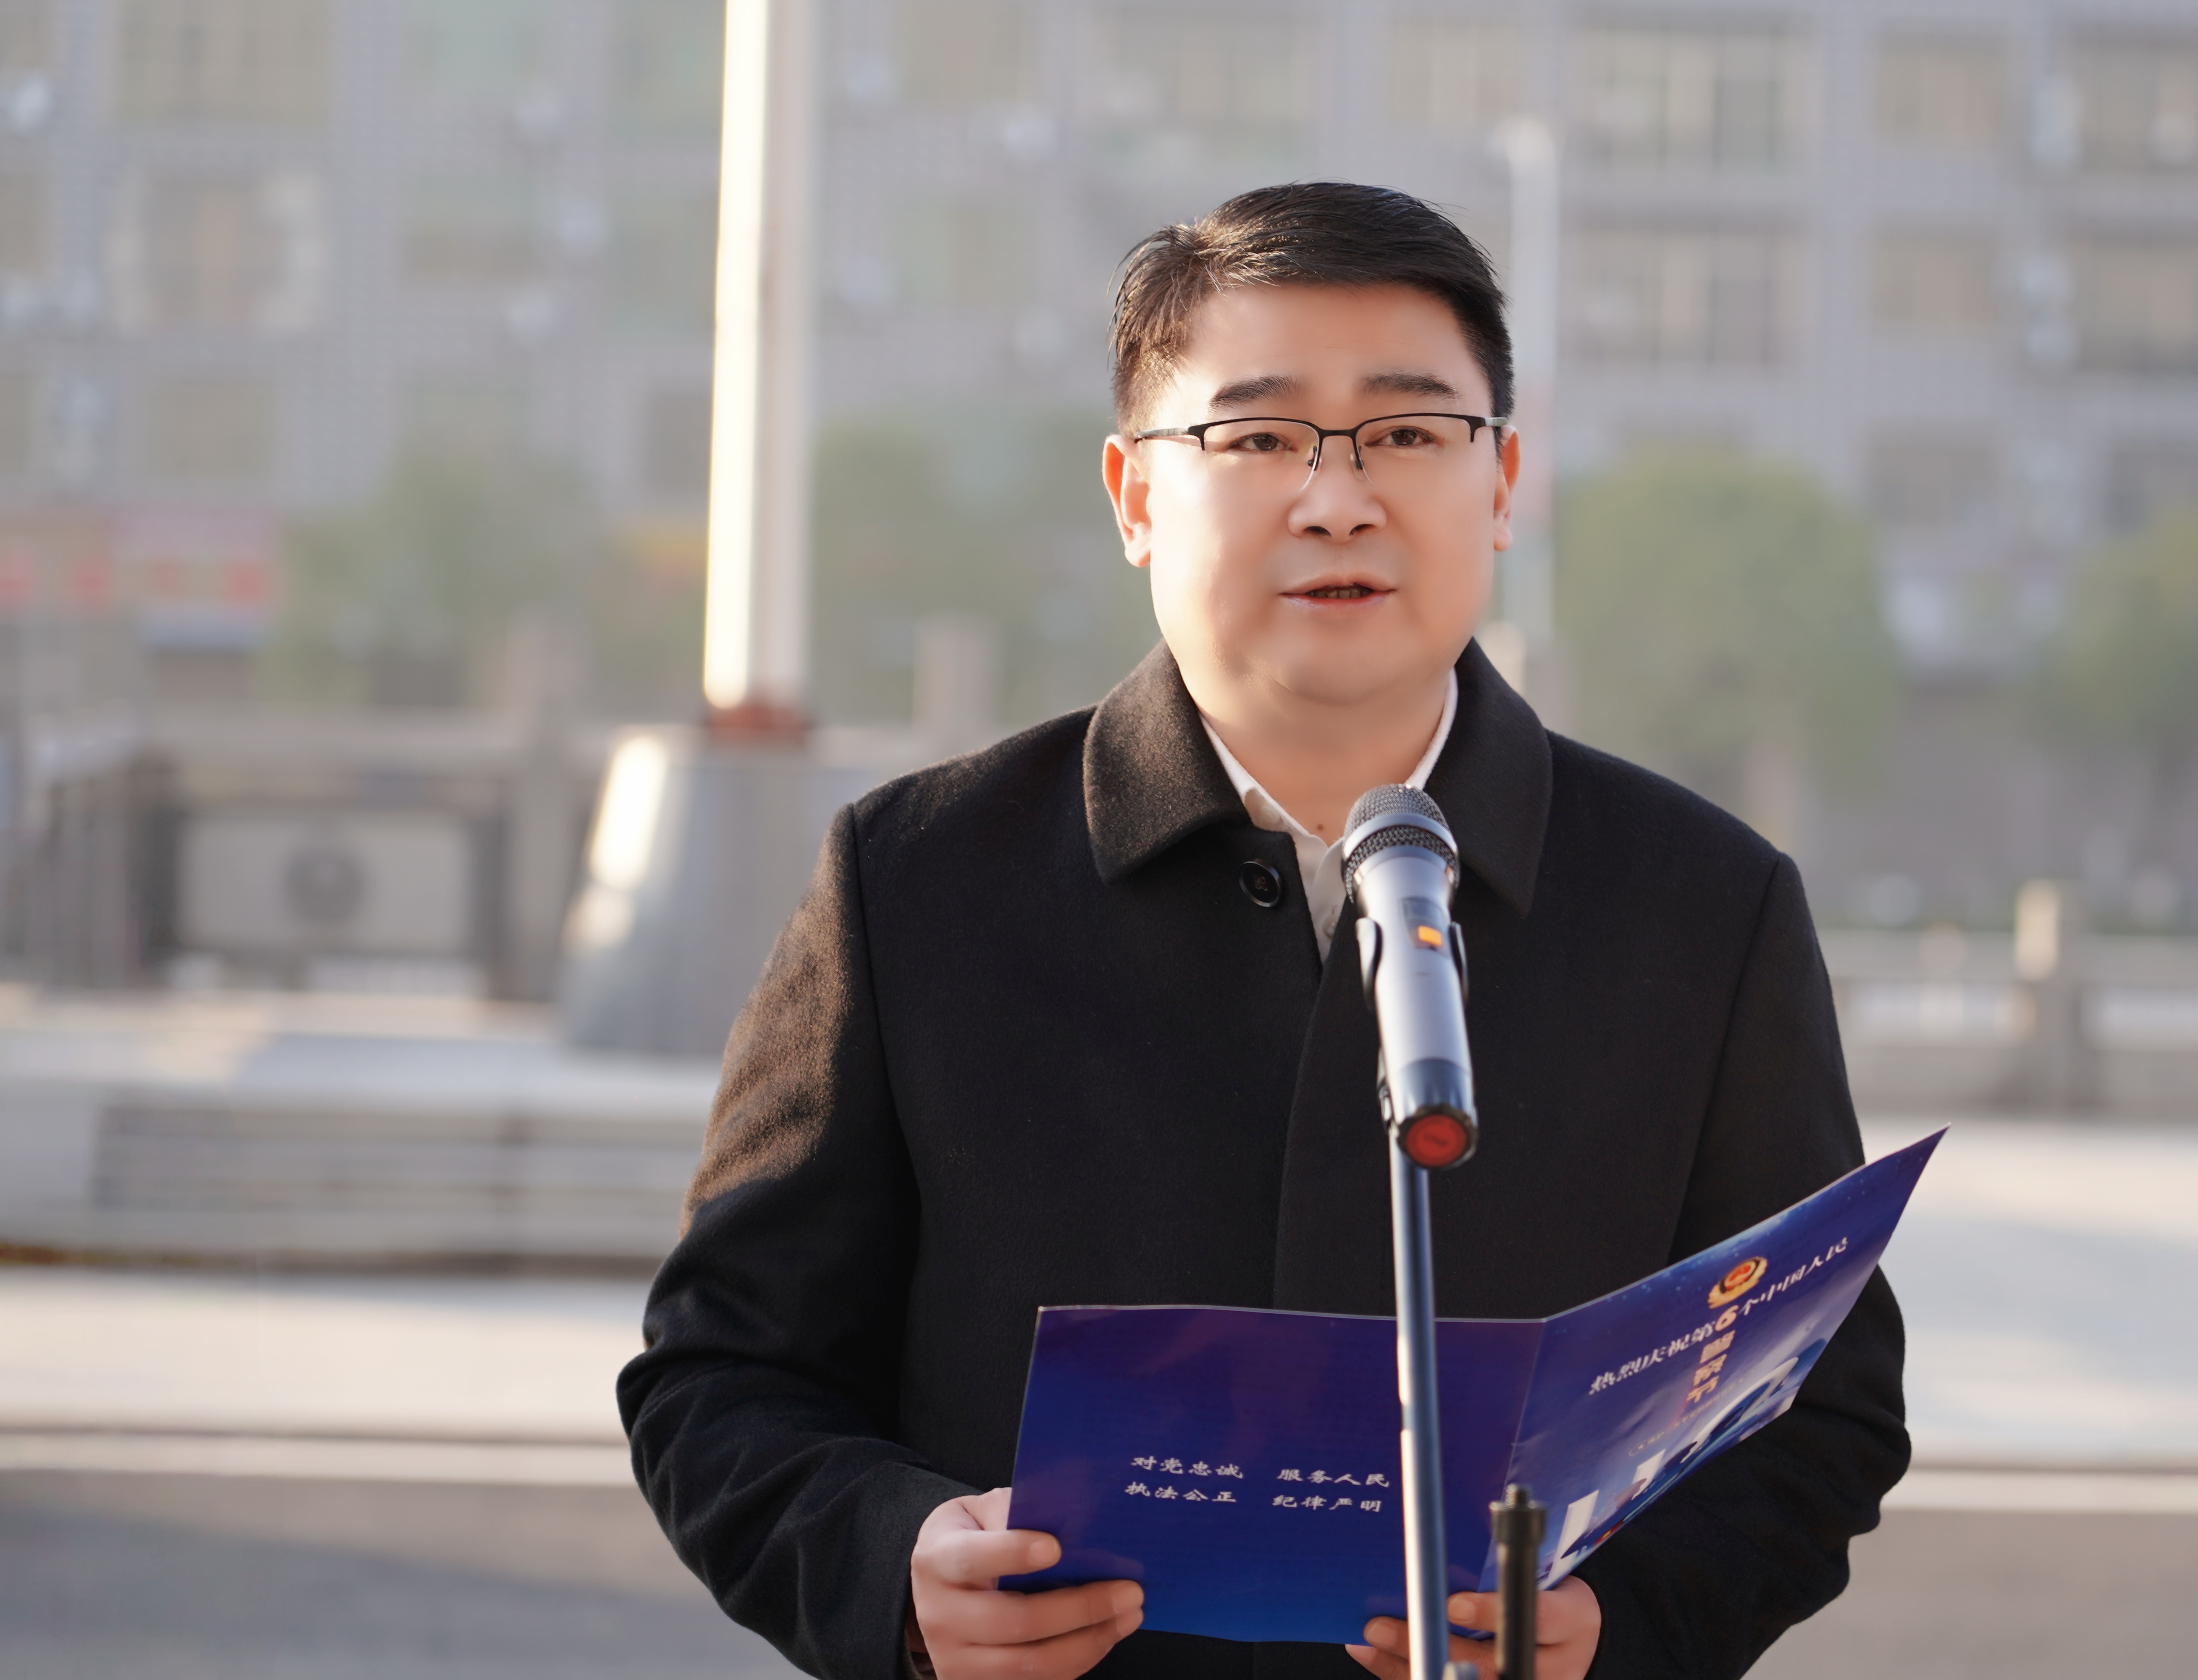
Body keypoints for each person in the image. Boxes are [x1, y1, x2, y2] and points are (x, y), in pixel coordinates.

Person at [620, 181, 1906, 1680]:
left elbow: (1822, 1407)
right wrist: (894, 1567)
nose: (1336, 498)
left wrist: (1618, 1625)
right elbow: (722, 1376)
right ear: (1134, 496)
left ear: (1502, 483)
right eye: (1257, 438)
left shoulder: (1705, 909)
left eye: (1409, 433)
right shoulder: (915, 884)